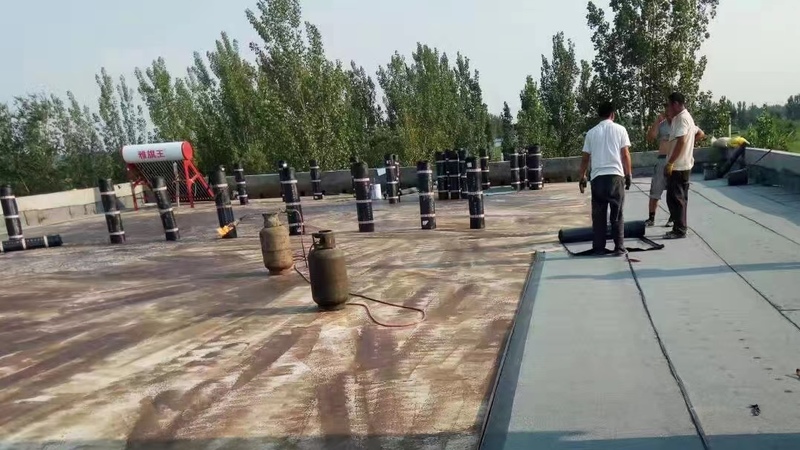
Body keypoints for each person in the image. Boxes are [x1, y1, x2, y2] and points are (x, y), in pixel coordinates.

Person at [578, 101, 632, 256]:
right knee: (617, 214)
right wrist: (628, 174)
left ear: (599, 115)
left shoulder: (591, 133)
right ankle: (619, 247)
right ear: (613, 114)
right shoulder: (620, 130)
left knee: (599, 215)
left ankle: (599, 247)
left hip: (598, 179)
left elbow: (585, 158)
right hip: (615, 177)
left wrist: (582, 177)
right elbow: (625, 154)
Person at [645, 104, 706, 227]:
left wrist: (689, 143)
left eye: (670, 110)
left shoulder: (681, 123)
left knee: (673, 192)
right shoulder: (662, 125)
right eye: (666, 110)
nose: (668, 113)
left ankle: (673, 217)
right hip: (662, 159)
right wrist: (657, 121)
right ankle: (651, 217)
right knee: (656, 189)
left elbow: (700, 133)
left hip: (675, 161)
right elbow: (650, 137)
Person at [663, 92, 697, 239]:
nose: (668, 108)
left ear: (676, 104)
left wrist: (671, 162)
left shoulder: (682, 118)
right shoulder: (682, 117)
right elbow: (696, 134)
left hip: (678, 166)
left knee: (675, 199)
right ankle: (679, 227)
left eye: (669, 105)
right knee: (679, 199)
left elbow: (682, 141)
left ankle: (679, 230)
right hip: (683, 165)